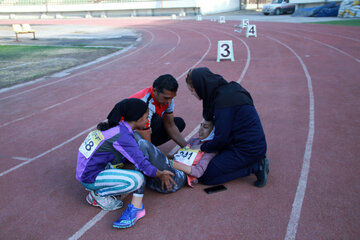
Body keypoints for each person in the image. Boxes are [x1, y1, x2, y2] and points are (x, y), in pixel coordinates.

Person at [76, 98, 176, 229]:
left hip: (85, 169)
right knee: (137, 179)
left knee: (125, 161)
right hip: (89, 176)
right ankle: (98, 195)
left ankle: (100, 186)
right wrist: (160, 174)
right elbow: (142, 164)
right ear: (137, 118)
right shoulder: (122, 136)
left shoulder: (118, 127)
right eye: (146, 117)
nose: (148, 120)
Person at [185, 67, 270, 187]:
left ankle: (256, 166)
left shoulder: (222, 102)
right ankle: (253, 161)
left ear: (201, 86)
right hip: (247, 143)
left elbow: (221, 139)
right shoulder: (228, 90)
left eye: (193, 90)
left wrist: (202, 147)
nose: (192, 94)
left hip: (247, 149)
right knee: (212, 159)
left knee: (206, 176)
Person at [127, 74, 187, 148]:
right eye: (166, 98)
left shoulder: (168, 98)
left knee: (179, 123)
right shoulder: (144, 104)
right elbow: (143, 133)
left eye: (172, 97)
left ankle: (151, 148)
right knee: (156, 120)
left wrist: (187, 147)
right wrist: (159, 157)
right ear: (155, 91)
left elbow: (170, 124)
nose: (169, 101)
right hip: (125, 135)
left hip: (144, 129)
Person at [171, 119, 217, 186]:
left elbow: (198, 172)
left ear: (213, 131)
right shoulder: (193, 140)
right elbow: (179, 155)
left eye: (205, 127)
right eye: (200, 126)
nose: (200, 129)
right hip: (171, 167)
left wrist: (171, 164)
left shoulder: (210, 151)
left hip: (181, 175)